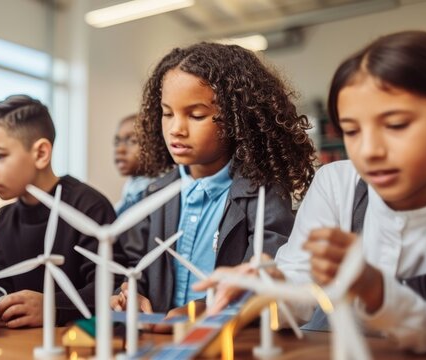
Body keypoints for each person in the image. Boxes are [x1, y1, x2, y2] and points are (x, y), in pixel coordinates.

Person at [197, 31, 426, 353]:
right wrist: (271, 286)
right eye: (351, 131)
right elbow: (300, 279)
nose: (370, 150)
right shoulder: (337, 183)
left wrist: (374, 288)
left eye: (396, 125)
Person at [113, 43, 317, 328]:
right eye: (167, 113)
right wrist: (129, 292)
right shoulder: (154, 194)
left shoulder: (263, 195)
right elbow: (134, 264)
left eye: (196, 115)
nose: (176, 129)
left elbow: (265, 276)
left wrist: (204, 310)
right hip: (159, 344)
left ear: (238, 119)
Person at [0, 95, 119, 327]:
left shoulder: (89, 207)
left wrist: (54, 307)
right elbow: (0, 286)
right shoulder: (3, 221)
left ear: (41, 153)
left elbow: (111, 287)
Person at [114, 113, 153, 215]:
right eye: (117, 142)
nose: (120, 149)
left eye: (132, 141)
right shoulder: (131, 188)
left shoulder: (156, 193)